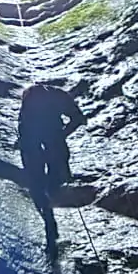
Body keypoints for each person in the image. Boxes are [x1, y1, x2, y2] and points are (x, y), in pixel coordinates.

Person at [18, 81, 84, 249]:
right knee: (36, 181)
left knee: (49, 180)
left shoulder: (59, 97)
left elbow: (79, 119)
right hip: (35, 136)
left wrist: (61, 135)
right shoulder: (30, 104)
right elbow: (26, 137)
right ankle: (48, 216)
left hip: (52, 134)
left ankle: (49, 203)